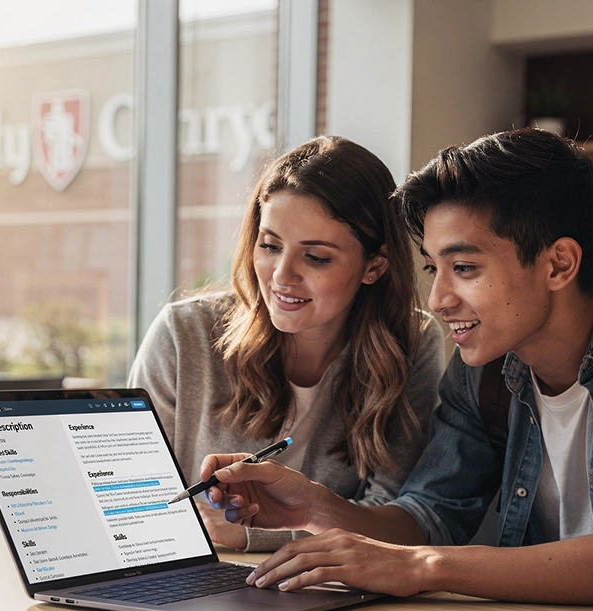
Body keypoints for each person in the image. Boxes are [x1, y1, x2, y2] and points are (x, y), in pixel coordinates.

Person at [200, 128, 593, 608]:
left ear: (559, 263)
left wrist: (423, 566)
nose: (438, 300)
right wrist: (318, 509)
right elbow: (431, 514)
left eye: (466, 268)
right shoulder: (485, 370)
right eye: (433, 268)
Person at [128, 135, 444, 552]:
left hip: (325, 586)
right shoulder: (183, 335)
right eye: (270, 246)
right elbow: (131, 500)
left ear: (374, 266)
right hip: (198, 575)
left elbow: (392, 513)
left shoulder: (411, 343)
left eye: (316, 257)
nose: (281, 276)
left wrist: (249, 535)